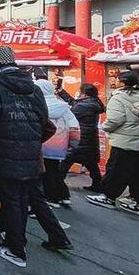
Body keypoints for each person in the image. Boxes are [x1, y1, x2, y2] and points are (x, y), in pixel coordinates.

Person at [0, 47, 71, 267]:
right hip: (33, 155)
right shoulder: (34, 89)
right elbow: (45, 123)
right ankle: (54, 237)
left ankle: (16, 249)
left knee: (12, 200)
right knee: (28, 198)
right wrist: (31, 142)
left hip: (5, 154)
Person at [87, 71, 139, 217]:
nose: (114, 82)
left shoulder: (119, 97)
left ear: (123, 83)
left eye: (117, 80)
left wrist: (104, 127)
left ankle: (108, 197)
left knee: (116, 171)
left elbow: (115, 120)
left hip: (125, 141)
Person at [35, 79, 80, 207]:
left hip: (42, 142)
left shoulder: (39, 105)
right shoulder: (63, 106)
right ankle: (63, 195)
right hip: (60, 144)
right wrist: (74, 143)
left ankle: (50, 197)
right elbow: (73, 124)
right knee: (54, 169)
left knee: (44, 171)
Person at [58, 83, 106, 192]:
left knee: (66, 161)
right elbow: (74, 103)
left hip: (80, 137)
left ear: (85, 94)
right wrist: (62, 92)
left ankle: (58, 184)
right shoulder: (93, 102)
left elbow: (69, 114)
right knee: (91, 163)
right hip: (89, 138)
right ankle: (97, 185)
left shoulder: (84, 105)